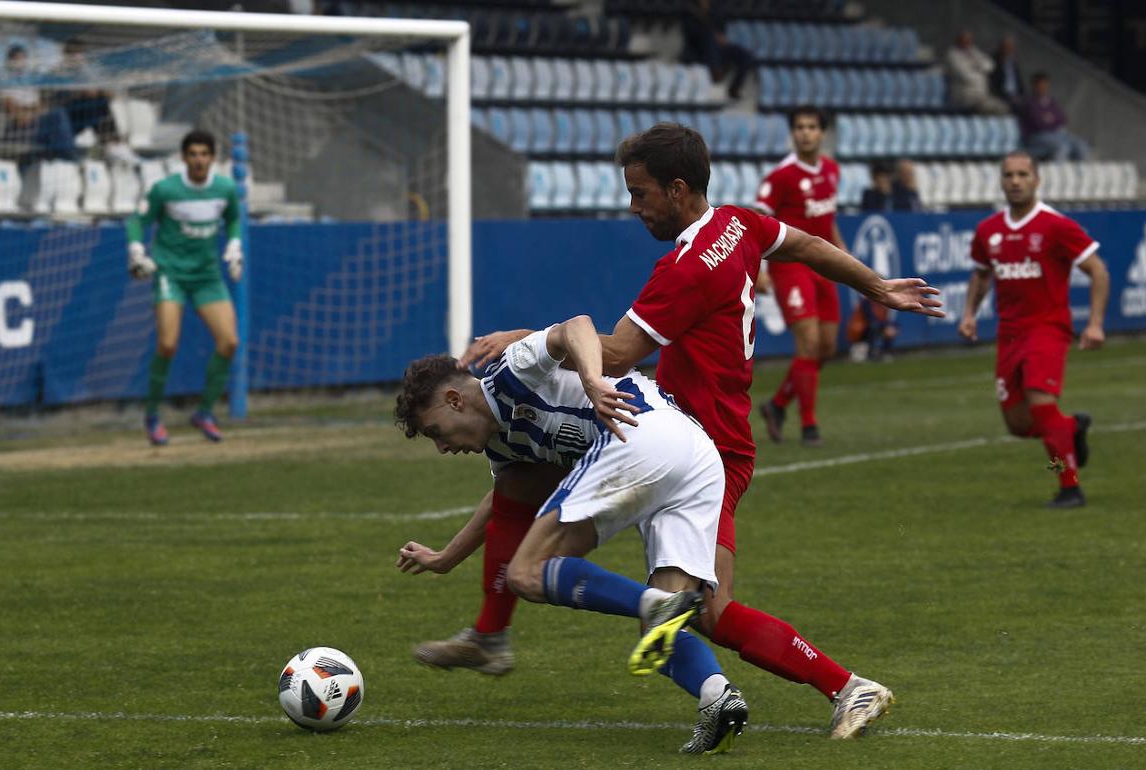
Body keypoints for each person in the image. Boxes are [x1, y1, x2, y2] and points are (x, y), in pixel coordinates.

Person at [419, 123, 945, 738]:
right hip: (718, 442)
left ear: (676, 188)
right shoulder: (740, 226)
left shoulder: (686, 266)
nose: (633, 206)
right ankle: (822, 692)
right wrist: (875, 286)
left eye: (640, 194)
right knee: (701, 612)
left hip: (693, 441)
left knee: (665, 601)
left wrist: (526, 339)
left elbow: (612, 355)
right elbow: (803, 244)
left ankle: (842, 684)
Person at [397, 318, 751, 754]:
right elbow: (503, 501)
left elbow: (576, 326)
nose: (442, 447)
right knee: (656, 633)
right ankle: (719, 697)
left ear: (454, 400)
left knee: (529, 572)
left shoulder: (510, 372)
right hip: (695, 457)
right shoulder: (502, 442)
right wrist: (449, 556)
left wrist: (593, 381)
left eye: (435, 432)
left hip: (639, 436)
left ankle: (656, 604)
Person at [957, 151, 1108, 507]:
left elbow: (1098, 270)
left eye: (1023, 174)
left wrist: (1096, 324)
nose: (1015, 181)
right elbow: (981, 275)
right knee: (1019, 424)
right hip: (1009, 334)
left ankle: (1069, 485)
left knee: (1042, 407)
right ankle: (1070, 429)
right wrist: (968, 314)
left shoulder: (1055, 225)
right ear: (1001, 180)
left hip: (1047, 328)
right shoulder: (988, 230)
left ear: (1037, 180)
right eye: (1009, 175)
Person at [125, 129, 243, 445]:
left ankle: (204, 412)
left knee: (229, 342)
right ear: (184, 157)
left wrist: (234, 244)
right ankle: (152, 415)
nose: (199, 160)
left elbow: (233, 218)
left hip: (207, 275)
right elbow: (137, 221)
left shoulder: (225, 187)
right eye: (194, 154)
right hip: (170, 273)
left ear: (212, 158)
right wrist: (137, 250)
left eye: (205, 154)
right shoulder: (166, 189)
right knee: (167, 344)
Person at [754, 105, 844, 447]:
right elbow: (759, 224)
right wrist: (759, 268)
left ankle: (777, 406)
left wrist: (844, 257)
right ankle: (809, 426)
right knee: (808, 343)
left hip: (826, 266)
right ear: (793, 133)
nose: (805, 132)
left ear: (822, 133)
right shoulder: (780, 176)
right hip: (791, 267)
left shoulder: (832, 170)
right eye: (800, 127)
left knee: (826, 348)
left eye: (812, 127)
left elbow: (828, 220)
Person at [52, 38, 141, 166]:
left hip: (87, 113)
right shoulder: (58, 73)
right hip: (66, 118)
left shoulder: (90, 71)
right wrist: (80, 93)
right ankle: (113, 144)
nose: (75, 57)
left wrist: (99, 91)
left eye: (78, 53)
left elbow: (112, 94)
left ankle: (113, 144)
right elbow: (53, 100)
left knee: (99, 103)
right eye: (71, 53)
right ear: (65, 54)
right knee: (97, 104)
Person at [0, 44, 76, 162]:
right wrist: (32, 110)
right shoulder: (3, 83)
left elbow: (39, 108)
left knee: (60, 115)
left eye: (23, 59)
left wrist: (30, 110)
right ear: (9, 61)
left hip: (32, 127)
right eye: (17, 59)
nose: (21, 62)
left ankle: (64, 159)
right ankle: (69, 158)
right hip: (15, 132)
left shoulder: (28, 84)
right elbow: (20, 118)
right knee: (57, 116)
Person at [680, 0, 756, 101]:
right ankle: (715, 74)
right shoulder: (689, 10)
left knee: (745, 56)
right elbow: (691, 33)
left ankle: (734, 89)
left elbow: (721, 28)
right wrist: (712, 35)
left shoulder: (715, 9)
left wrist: (720, 37)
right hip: (697, 50)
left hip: (716, 49)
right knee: (709, 39)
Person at [1020, 72, 1090, 161]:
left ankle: (1080, 173)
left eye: (1045, 85)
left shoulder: (1051, 102)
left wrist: (1048, 119)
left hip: (1056, 134)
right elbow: (1039, 124)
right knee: (1062, 147)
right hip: (1037, 136)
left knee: (1081, 145)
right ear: (1034, 85)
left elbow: (1062, 118)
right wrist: (1052, 120)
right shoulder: (1029, 103)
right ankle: (1059, 172)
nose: (1043, 88)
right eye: (1040, 85)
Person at [945, 30, 1010, 115]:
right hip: (963, 94)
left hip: (981, 95)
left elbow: (990, 66)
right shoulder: (952, 54)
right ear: (958, 41)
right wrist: (980, 71)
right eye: (965, 40)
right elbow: (965, 76)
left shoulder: (973, 51)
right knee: (989, 108)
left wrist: (975, 68)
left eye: (969, 41)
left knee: (1004, 107)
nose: (967, 43)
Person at [990, 35, 1025, 111]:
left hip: (1015, 95)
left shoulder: (1013, 63)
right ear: (1001, 47)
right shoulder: (993, 60)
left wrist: (1022, 95)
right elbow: (993, 82)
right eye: (1006, 47)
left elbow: (1020, 82)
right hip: (1002, 95)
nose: (1008, 49)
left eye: (1010, 47)